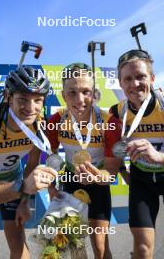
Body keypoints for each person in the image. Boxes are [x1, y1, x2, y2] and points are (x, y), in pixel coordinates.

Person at [79, 50, 164, 259]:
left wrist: (159, 157)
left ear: (151, 78)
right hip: (142, 181)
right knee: (143, 249)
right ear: (120, 82)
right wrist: (112, 174)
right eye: (128, 79)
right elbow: (114, 157)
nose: (134, 84)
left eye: (141, 77)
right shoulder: (117, 112)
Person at [0, 65, 57, 259]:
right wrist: (23, 187)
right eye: (23, 99)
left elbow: (33, 163)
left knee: (18, 246)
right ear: (9, 98)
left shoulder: (38, 122)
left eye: (38, 101)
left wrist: (24, 201)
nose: (31, 107)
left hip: (12, 177)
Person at [46, 63, 113, 259]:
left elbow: (112, 170)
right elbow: (51, 156)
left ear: (94, 93)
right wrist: (52, 185)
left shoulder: (108, 121)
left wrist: (98, 176)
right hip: (69, 181)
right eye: (72, 92)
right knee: (75, 246)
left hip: (99, 184)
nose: (80, 99)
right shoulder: (56, 120)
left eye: (86, 92)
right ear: (63, 94)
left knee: (100, 248)